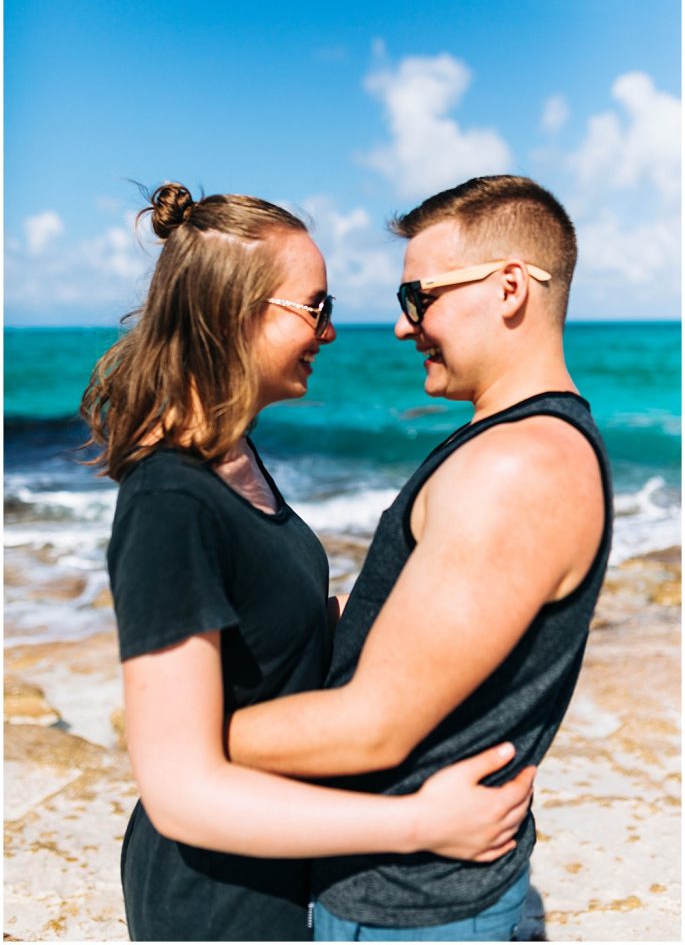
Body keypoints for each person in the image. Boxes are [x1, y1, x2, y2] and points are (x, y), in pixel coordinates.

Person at [81, 183, 535, 943]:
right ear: (234, 314)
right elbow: (179, 791)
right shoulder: (171, 502)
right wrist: (416, 822)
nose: (329, 334)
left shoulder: (235, 458)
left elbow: (265, 656)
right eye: (313, 307)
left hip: (286, 870)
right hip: (215, 900)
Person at [225, 175, 613, 941]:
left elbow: (373, 728)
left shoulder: (517, 467)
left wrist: (180, 737)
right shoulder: (518, 445)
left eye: (418, 298)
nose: (404, 329)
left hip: (413, 911)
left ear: (508, 289)